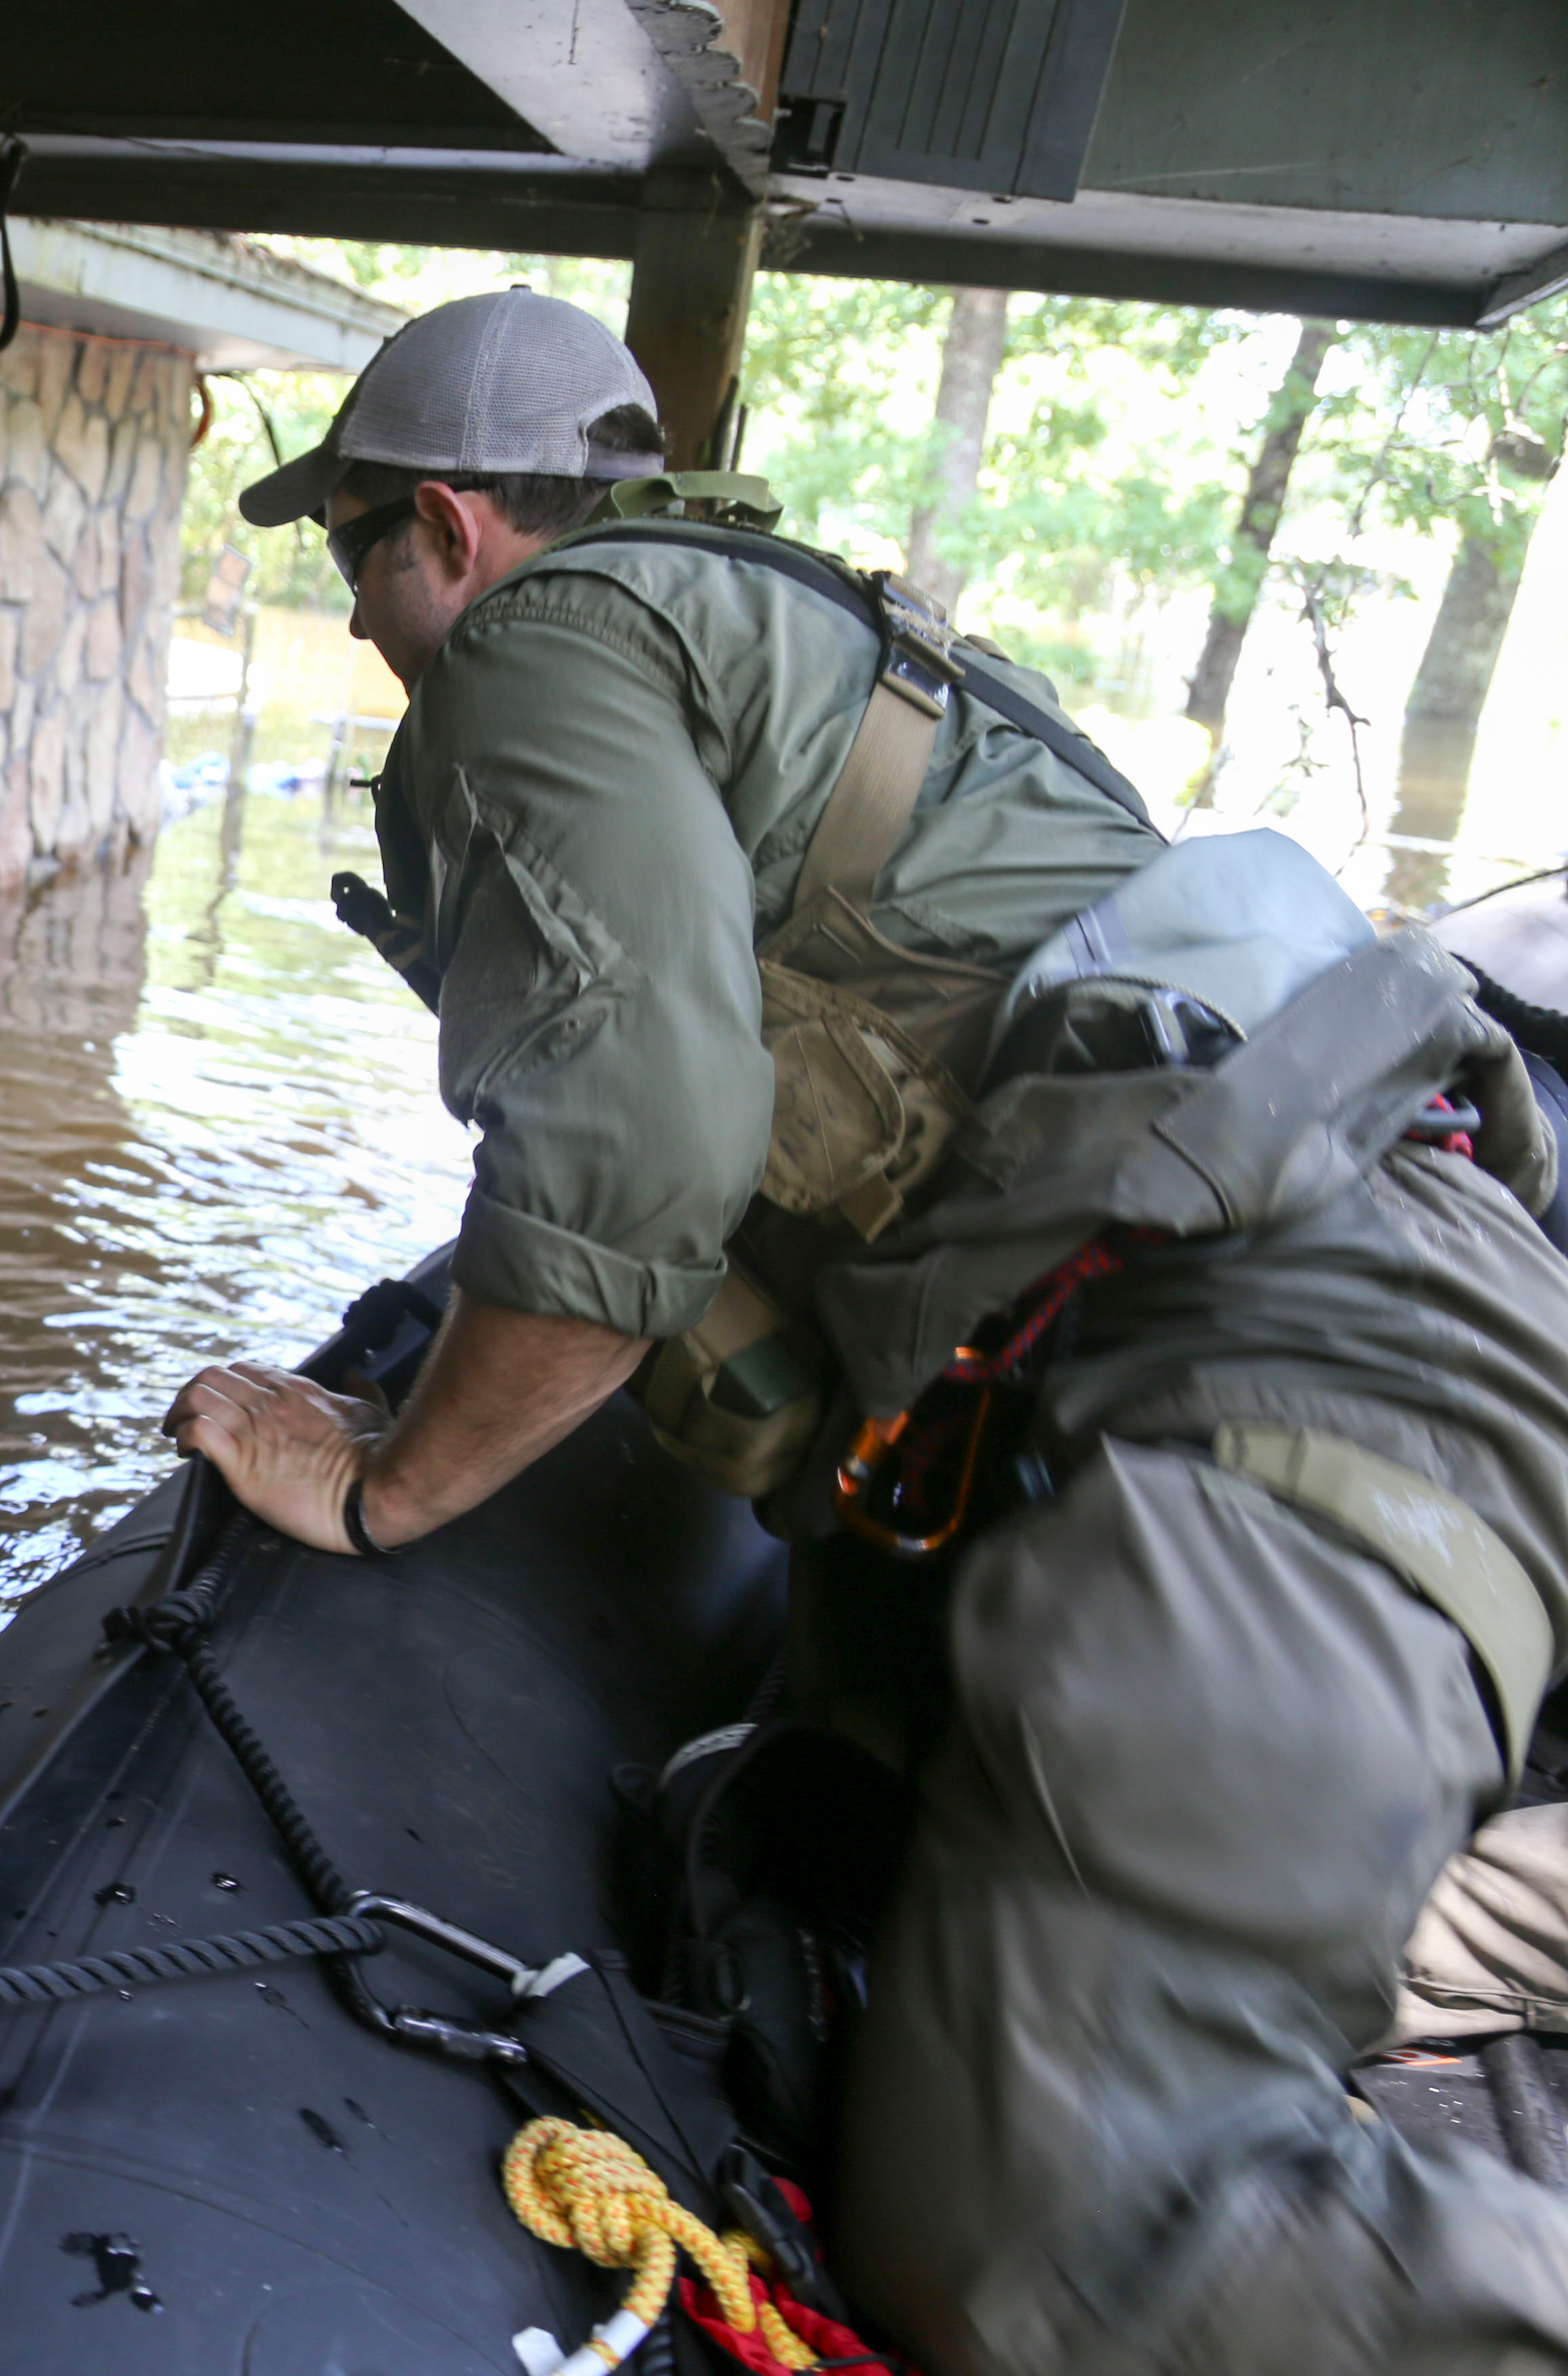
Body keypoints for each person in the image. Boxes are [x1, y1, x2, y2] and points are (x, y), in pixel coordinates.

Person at [165, 286, 1568, 2375]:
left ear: (450, 530)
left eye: (358, 545)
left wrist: (385, 1489)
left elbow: (638, 1141)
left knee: (1062, 2252)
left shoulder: (540, 649)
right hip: (1357, 1317)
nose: (362, 614)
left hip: (1288, 1386)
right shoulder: (787, 643)